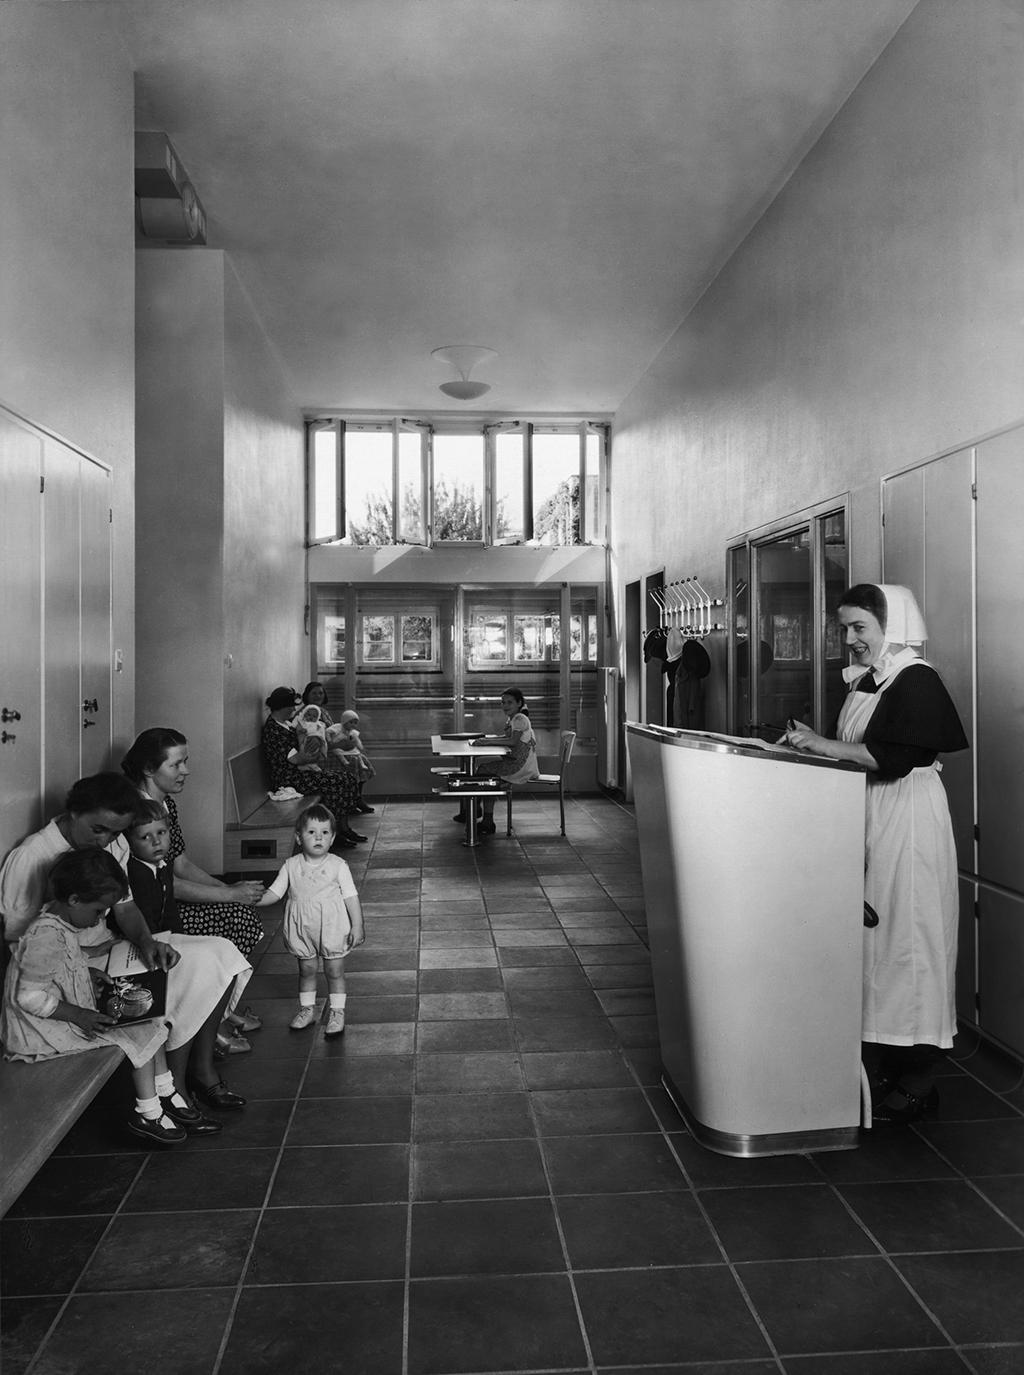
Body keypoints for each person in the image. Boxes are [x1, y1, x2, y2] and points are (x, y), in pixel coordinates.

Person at [784, 584, 968, 1125]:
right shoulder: (874, 681)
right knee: (877, 946)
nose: (851, 639)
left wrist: (822, 744)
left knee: (910, 945)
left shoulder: (917, 680)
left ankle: (919, 1082)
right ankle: (887, 1063)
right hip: (874, 820)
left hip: (907, 824)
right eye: (845, 628)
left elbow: (895, 757)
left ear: (893, 626)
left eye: (860, 627)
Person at [0, 773, 250, 1116]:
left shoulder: (112, 844)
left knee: (221, 954)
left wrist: (147, 942)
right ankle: (174, 1085)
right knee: (182, 981)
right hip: (74, 970)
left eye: (116, 832)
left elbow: (125, 906)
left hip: (110, 948)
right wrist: (79, 965)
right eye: (99, 829)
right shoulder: (32, 856)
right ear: (73, 813)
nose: (108, 840)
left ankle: (199, 1069)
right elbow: (19, 943)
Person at [1, 849, 192, 1144]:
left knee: (149, 1021)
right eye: (97, 911)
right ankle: (149, 1113)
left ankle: (165, 1090)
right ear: (74, 900)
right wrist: (80, 1015)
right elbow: (28, 997)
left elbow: (56, 966)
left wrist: (86, 974)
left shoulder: (58, 920)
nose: (99, 920)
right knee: (134, 1035)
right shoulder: (45, 934)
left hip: (58, 1013)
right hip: (40, 1030)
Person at [122, 728, 265, 1053]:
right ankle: (208, 1023)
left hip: (167, 901)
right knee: (235, 919)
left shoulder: (164, 802)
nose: (185, 770)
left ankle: (220, 1011)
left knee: (240, 910)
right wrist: (230, 895)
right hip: (150, 915)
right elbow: (164, 884)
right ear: (149, 769)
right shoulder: (137, 814)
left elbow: (180, 864)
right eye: (176, 764)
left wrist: (231, 888)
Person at [255, 803, 364, 1036]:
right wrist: (251, 899)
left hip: (333, 928)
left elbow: (351, 897)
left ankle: (337, 1011)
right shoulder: (291, 866)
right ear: (298, 837)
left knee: (334, 971)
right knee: (306, 969)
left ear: (332, 838)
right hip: (302, 929)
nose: (318, 838)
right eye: (311, 832)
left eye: (325, 833)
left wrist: (357, 925)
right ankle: (307, 1009)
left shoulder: (338, 866)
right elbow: (275, 893)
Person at [261, 686, 366, 847]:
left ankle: (343, 828)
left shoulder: (286, 724)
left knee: (347, 778)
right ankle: (334, 833)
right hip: (290, 778)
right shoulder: (274, 729)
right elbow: (296, 759)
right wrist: (314, 755)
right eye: (291, 705)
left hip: (300, 773)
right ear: (283, 706)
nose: (294, 709)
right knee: (339, 783)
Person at [469, 687, 540, 836]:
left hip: (519, 766)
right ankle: (478, 811)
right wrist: (487, 740)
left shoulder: (520, 719)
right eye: (503, 702)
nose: (505, 706)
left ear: (519, 703)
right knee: (485, 774)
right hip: (517, 762)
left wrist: (487, 743)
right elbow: (506, 738)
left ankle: (477, 810)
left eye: (509, 702)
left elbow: (513, 742)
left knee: (485, 775)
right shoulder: (514, 718)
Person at [325, 709, 376, 814]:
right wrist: (331, 742)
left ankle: (357, 798)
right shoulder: (337, 728)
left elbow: (357, 741)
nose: (353, 725)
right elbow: (328, 733)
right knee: (347, 771)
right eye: (351, 722)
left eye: (355, 722)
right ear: (344, 722)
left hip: (351, 752)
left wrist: (362, 748)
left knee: (360, 760)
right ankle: (349, 803)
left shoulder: (352, 732)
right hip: (337, 751)